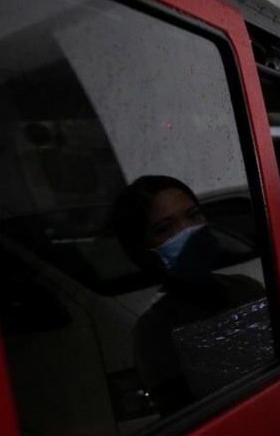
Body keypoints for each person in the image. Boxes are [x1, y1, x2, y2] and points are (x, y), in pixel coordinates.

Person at [112, 175, 268, 416]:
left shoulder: (247, 289)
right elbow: (185, 419)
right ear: (142, 251)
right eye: (165, 228)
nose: (188, 231)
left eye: (193, 215)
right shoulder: (154, 331)